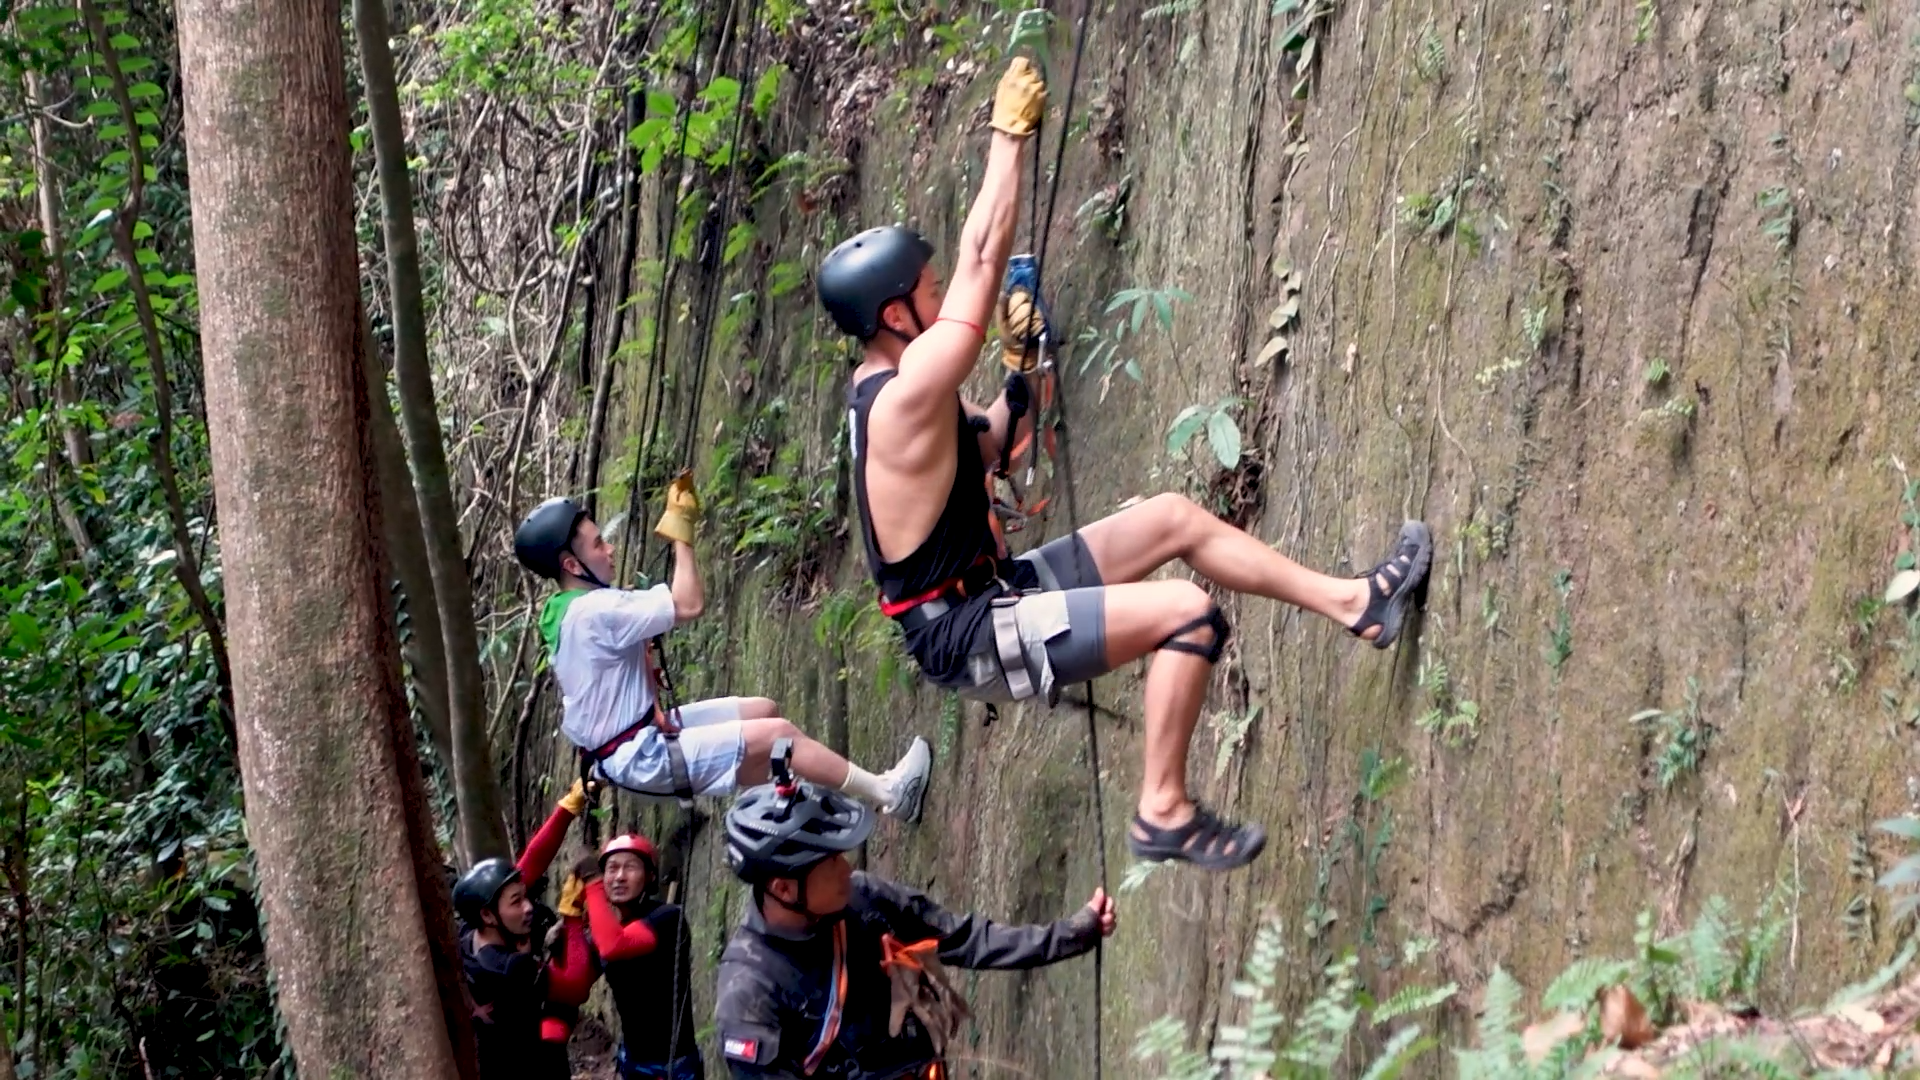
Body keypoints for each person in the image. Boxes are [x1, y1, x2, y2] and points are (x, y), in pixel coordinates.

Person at [814, 57, 1434, 873]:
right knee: (1187, 614)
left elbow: (992, 441)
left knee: (1173, 518)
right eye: (926, 293)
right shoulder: (896, 402)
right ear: (896, 315)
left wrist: (1021, 368)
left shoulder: (898, 389)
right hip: (966, 634)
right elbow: (980, 260)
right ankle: (1162, 809)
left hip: (989, 596)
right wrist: (1007, 140)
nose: (942, 299)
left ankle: (1356, 604)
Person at [512, 472, 931, 820]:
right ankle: (890, 794)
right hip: (639, 753)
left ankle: (811, 808)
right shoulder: (593, 612)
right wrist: (683, 534)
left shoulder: (566, 609)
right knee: (780, 735)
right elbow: (689, 602)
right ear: (571, 565)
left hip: (636, 734)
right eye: (598, 543)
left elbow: (620, 666)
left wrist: (655, 708)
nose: (610, 548)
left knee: (764, 713)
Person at [713, 747, 1116, 1078]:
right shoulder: (750, 996)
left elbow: (965, 939)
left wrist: (1074, 932)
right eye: (830, 861)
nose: (847, 869)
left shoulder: (863, 900)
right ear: (783, 888)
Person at [454, 779, 602, 1080]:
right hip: (530, 1068)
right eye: (517, 902)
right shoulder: (511, 968)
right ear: (489, 914)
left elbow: (527, 868)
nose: (528, 907)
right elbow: (575, 985)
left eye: (525, 897)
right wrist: (572, 914)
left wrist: (567, 808)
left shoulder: (468, 934)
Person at [560, 832, 705, 1080]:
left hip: (674, 1067)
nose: (619, 877)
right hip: (633, 1062)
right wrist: (572, 920)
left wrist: (592, 882)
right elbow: (574, 988)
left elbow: (615, 946)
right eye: (611, 869)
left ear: (649, 877)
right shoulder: (607, 932)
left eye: (630, 867)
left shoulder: (667, 918)